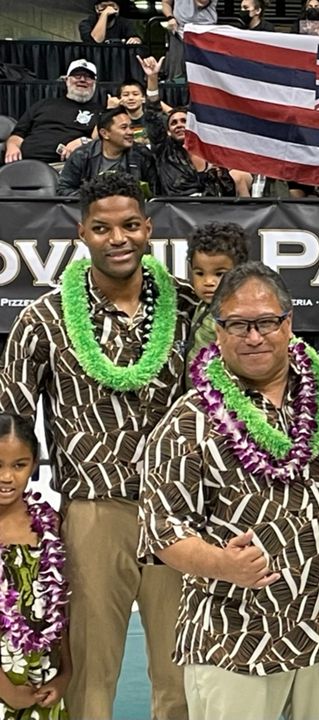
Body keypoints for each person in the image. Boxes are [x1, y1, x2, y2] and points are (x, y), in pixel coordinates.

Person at [0, 173, 198, 720]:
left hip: (177, 514)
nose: (118, 238)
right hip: (92, 513)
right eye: (102, 227)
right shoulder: (44, 318)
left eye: (130, 225)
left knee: (180, 674)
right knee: (89, 673)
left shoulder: (188, 310)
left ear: (149, 230)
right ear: (81, 233)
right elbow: (8, 418)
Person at [139, 263, 319, 720]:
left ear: (288, 324)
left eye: (266, 322)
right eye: (238, 324)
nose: (254, 336)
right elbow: (162, 530)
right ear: (218, 332)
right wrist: (222, 564)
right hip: (235, 636)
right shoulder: (190, 419)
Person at [0, 414, 71, 720]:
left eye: (19, 465)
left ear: (34, 464)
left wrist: (65, 673)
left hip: (41, 680)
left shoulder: (48, 525)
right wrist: (7, 691)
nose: (7, 477)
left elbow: (58, 606)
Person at [4, 60, 99, 165]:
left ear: (94, 83)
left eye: (88, 77)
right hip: (23, 162)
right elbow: (18, 134)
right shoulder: (43, 104)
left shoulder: (99, 111)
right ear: (67, 80)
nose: (82, 80)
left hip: (64, 166)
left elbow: (105, 141)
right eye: (77, 76)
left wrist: (84, 141)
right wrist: (12, 146)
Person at [184, 222, 251, 363]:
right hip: (193, 381)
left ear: (240, 272)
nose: (208, 281)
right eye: (199, 273)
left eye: (219, 274)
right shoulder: (201, 304)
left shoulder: (238, 315)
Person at [56, 107, 160, 197]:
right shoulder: (82, 155)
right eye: (124, 128)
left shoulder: (142, 154)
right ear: (105, 133)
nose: (130, 132)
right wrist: (93, 197)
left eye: (131, 127)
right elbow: (63, 189)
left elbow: (154, 191)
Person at [147, 107, 238, 198]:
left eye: (184, 121)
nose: (179, 125)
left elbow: (229, 191)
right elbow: (153, 119)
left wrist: (219, 175)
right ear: (168, 132)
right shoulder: (164, 152)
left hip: (212, 208)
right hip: (178, 209)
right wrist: (153, 96)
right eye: (174, 123)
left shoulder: (210, 153)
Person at [161, 0, 216, 82]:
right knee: (177, 75)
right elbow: (166, 3)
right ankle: (178, 94)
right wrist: (170, 17)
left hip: (206, 33)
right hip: (179, 32)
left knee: (203, 74)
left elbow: (201, 2)